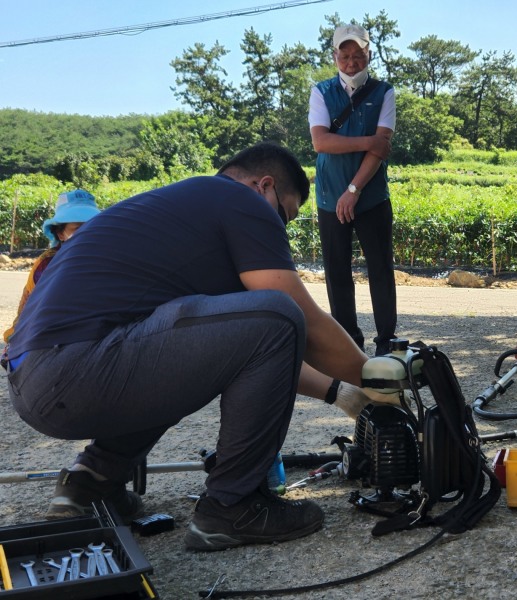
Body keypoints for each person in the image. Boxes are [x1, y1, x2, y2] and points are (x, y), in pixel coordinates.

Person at [5, 142, 390, 552]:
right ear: (264, 186)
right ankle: (232, 505)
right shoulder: (238, 198)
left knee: (243, 326)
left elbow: (253, 354)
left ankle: (93, 483)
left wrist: (341, 392)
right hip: (77, 368)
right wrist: (376, 376)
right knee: (280, 312)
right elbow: (299, 322)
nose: (280, 228)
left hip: (34, 378)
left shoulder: (180, 215)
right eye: (284, 215)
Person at [309, 23, 398, 356]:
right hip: (330, 197)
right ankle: (349, 343)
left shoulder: (384, 92)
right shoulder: (321, 92)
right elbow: (321, 141)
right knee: (337, 272)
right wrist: (366, 141)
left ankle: (386, 342)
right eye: (344, 55)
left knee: (380, 268)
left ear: (369, 54)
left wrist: (355, 188)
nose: (351, 62)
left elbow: (381, 149)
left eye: (358, 55)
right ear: (335, 57)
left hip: (371, 197)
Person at [2, 189, 100, 348]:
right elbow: (32, 313)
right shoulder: (47, 264)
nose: (87, 232)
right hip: (47, 339)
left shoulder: (105, 256)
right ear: (61, 234)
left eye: (92, 226)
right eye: (78, 228)